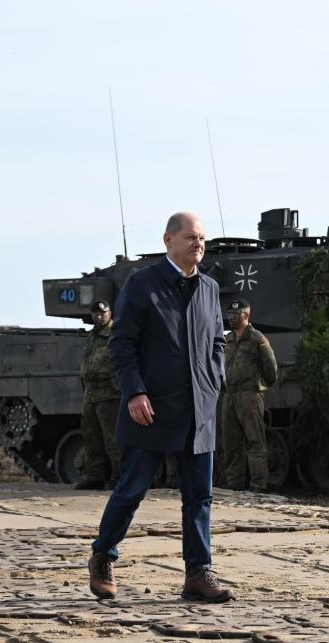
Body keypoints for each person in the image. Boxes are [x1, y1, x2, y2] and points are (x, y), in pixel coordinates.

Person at [87, 212, 233, 604]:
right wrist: (135, 392)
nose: (198, 244)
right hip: (150, 408)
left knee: (199, 497)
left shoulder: (208, 288)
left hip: (198, 410)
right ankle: (103, 556)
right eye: (190, 237)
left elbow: (218, 341)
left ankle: (198, 573)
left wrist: (214, 379)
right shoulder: (143, 284)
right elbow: (122, 343)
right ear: (168, 240)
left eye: (202, 238)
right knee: (132, 488)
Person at [221, 299, 278, 490]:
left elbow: (270, 369)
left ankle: (258, 484)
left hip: (249, 395)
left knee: (255, 441)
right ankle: (234, 483)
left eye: (236, 315)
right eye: (229, 314)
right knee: (231, 443)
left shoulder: (257, 338)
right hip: (230, 396)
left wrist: (259, 388)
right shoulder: (227, 339)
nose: (231, 318)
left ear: (246, 316)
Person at [74, 301, 120, 490]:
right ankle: (96, 476)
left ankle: (119, 476)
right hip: (91, 392)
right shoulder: (92, 335)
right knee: (92, 437)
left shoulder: (116, 333)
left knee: (113, 439)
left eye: (103, 313)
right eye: (96, 313)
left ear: (110, 313)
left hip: (109, 392)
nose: (99, 316)